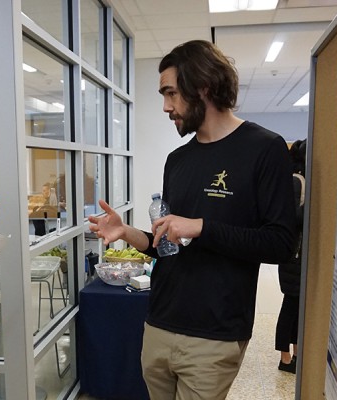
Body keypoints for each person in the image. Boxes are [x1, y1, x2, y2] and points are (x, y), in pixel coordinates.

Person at [88, 40, 296, 400]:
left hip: (214, 334)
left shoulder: (265, 148)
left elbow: (280, 244)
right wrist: (127, 233)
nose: (167, 107)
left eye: (171, 93)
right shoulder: (178, 160)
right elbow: (168, 246)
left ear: (202, 86)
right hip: (159, 323)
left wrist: (202, 227)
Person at [275, 139, 307, 374]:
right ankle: (285, 358)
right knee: (290, 307)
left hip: (298, 256)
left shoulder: (301, 181)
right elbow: (291, 219)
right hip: (293, 257)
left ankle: (295, 354)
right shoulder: (296, 181)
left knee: (297, 309)